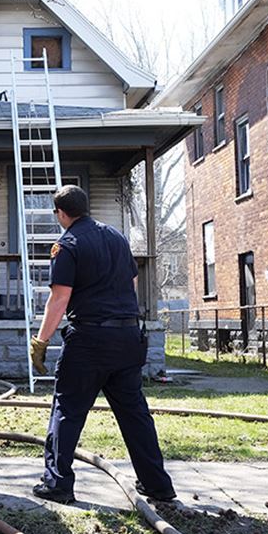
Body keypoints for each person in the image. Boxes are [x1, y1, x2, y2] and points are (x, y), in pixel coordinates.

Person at [28, 185, 174, 504]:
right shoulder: (117, 238)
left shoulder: (67, 244)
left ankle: (57, 484)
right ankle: (158, 485)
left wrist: (41, 340)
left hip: (90, 339)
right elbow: (132, 283)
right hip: (128, 336)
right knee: (134, 413)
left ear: (61, 214)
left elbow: (59, 298)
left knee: (68, 408)